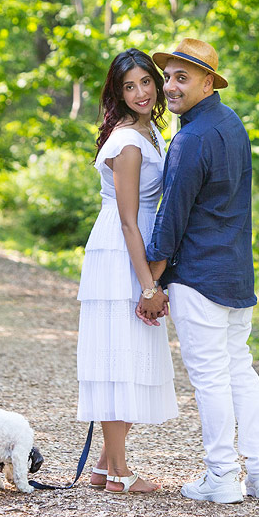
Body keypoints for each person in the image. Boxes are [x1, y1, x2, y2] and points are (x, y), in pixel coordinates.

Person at [140, 38, 259, 503]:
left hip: (201, 276)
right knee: (240, 371)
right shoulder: (231, 123)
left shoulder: (191, 138)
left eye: (182, 78)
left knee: (212, 379)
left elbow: (170, 219)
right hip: (237, 274)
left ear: (207, 83)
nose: (170, 86)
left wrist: (151, 284)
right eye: (169, 77)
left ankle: (221, 477)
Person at [75, 48, 177, 494]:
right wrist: (149, 284)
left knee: (130, 355)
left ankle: (102, 465)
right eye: (129, 86)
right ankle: (118, 471)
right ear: (117, 92)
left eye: (146, 82)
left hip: (135, 251)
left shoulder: (150, 129)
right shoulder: (129, 143)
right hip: (122, 253)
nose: (140, 92)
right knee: (120, 358)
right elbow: (129, 219)